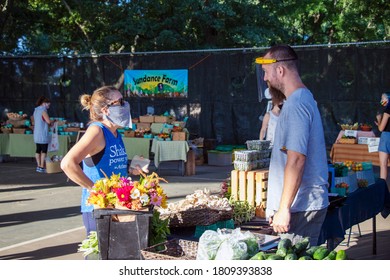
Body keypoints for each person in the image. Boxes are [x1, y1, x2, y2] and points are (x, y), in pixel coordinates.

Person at [256, 45, 329, 246]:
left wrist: (283, 209)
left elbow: (296, 159)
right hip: (299, 207)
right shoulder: (299, 100)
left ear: (280, 70)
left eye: (266, 72)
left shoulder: (297, 104)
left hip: (301, 207)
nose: (265, 79)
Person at [61, 85, 137, 236]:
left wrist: (131, 168)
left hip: (117, 207)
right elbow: (67, 164)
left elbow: (108, 165)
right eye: (120, 102)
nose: (125, 105)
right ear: (105, 109)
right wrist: (95, 189)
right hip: (98, 210)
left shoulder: (115, 132)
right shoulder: (96, 131)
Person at [33, 96, 55, 173]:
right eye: (48, 104)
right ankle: (42, 166)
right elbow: (48, 121)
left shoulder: (36, 110)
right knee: (44, 150)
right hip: (43, 134)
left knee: (38, 150)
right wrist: (53, 121)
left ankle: (38, 166)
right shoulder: (43, 111)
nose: (48, 106)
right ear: (44, 103)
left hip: (36, 133)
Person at [375, 92, 390, 181]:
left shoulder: (387, 111)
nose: (382, 101)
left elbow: (381, 128)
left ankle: (382, 185)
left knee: (383, 164)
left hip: (387, 137)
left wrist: (379, 120)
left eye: (383, 99)